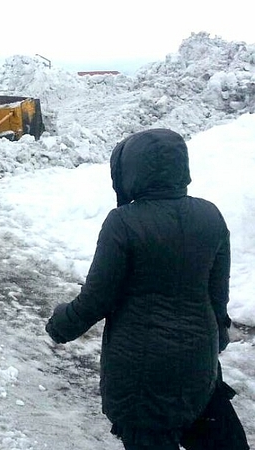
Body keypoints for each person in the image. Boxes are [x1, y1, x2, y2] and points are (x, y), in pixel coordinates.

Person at [45, 128, 250, 450]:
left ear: (131, 171)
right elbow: (217, 296)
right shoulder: (210, 215)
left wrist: (60, 325)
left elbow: (97, 298)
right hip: (199, 364)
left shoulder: (123, 222)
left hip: (141, 374)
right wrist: (218, 338)